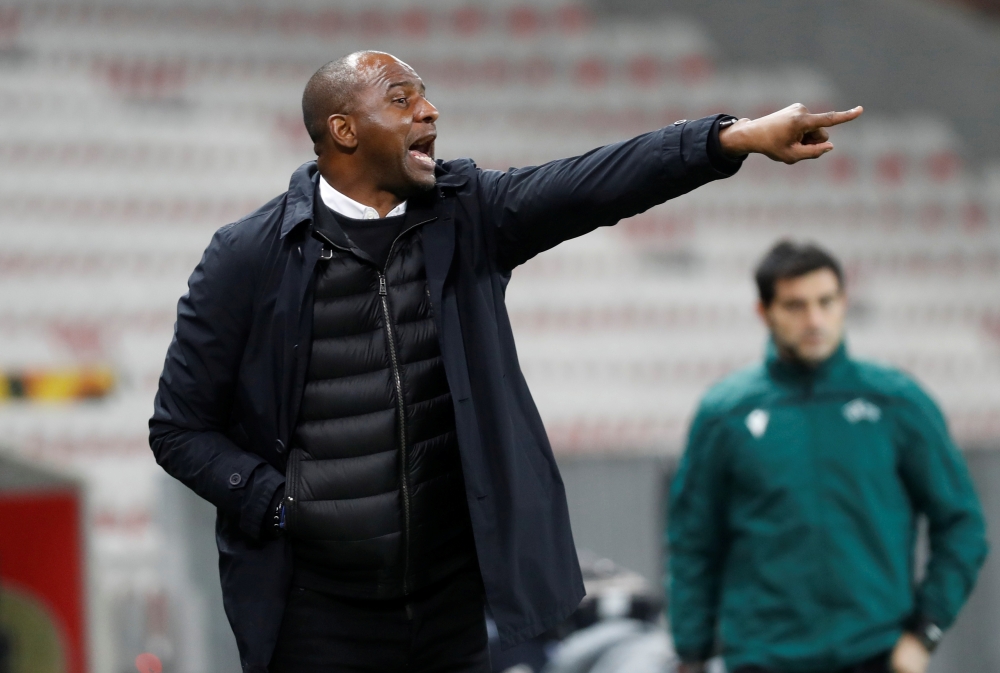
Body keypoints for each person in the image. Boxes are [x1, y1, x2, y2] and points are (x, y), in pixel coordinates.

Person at [149, 50, 862, 673]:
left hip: (450, 610)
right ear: (343, 130)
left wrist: (729, 139)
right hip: (317, 618)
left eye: (425, 94)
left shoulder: (468, 214)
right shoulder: (248, 256)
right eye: (402, 99)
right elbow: (178, 429)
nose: (430, 110)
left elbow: (596, 183)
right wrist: (276, 503)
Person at [668, 241, 988, 673]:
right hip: (760, 659)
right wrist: (691, 654)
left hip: (875, 655)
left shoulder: (896, 402)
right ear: (764, 313)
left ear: (844, 303)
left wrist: (924, 633)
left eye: (826, 302)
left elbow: (962, 524)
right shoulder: (725, 414)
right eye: (795, 306)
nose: (814, 319)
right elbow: (692, 543)